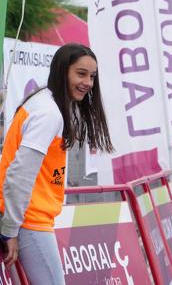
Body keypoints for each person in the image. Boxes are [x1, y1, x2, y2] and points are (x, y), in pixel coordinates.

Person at [0, 43, 113, 284]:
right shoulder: (48, 112)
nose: (88, 83)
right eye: (80, 74)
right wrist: (9, 229)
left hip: (26, 217)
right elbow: (19, 174)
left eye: (92, 77)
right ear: (62, 71)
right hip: (28, 220)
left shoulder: (45, 103)